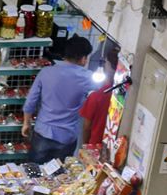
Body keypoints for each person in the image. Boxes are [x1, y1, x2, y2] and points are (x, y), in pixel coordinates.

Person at [22, 34, 96, 164]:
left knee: (34, 172)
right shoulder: (88, 78)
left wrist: (26, 123)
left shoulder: (46, 72)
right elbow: (104, 90)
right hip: (67, 136)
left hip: (42, 132)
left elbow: (31, 102)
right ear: (84, 58)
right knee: (59, 178)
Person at [80, 47, 120, 146]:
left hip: (95, 145)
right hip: (113, 146)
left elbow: (86, 127)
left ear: (110, 68)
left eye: (106, 62)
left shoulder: (96, 97)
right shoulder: (122, 96)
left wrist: (85, 145)